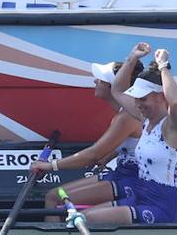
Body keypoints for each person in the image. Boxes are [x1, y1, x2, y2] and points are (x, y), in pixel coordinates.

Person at [81, 44, 177, 225]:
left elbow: (176, 103)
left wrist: (163, 67)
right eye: (136, 98)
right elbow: (117, 90)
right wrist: (133, 57)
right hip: (140, 197)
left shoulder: (173, 127)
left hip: (163, 207)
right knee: (81, 217)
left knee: (87, 219)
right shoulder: (144, 119)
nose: (138, 104)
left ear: (159, 96)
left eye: (143, 98)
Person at [30, 59, 145, 218]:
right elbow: (132, 143)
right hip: (122, 175)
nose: (95, 81)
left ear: (112, 86)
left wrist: (49, 166)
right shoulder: (126, 112)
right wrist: (109, 155)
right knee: (52, 195)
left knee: (55, 199)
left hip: (132, 182)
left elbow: (93, 155)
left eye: (100, 79)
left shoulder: (126, 117)